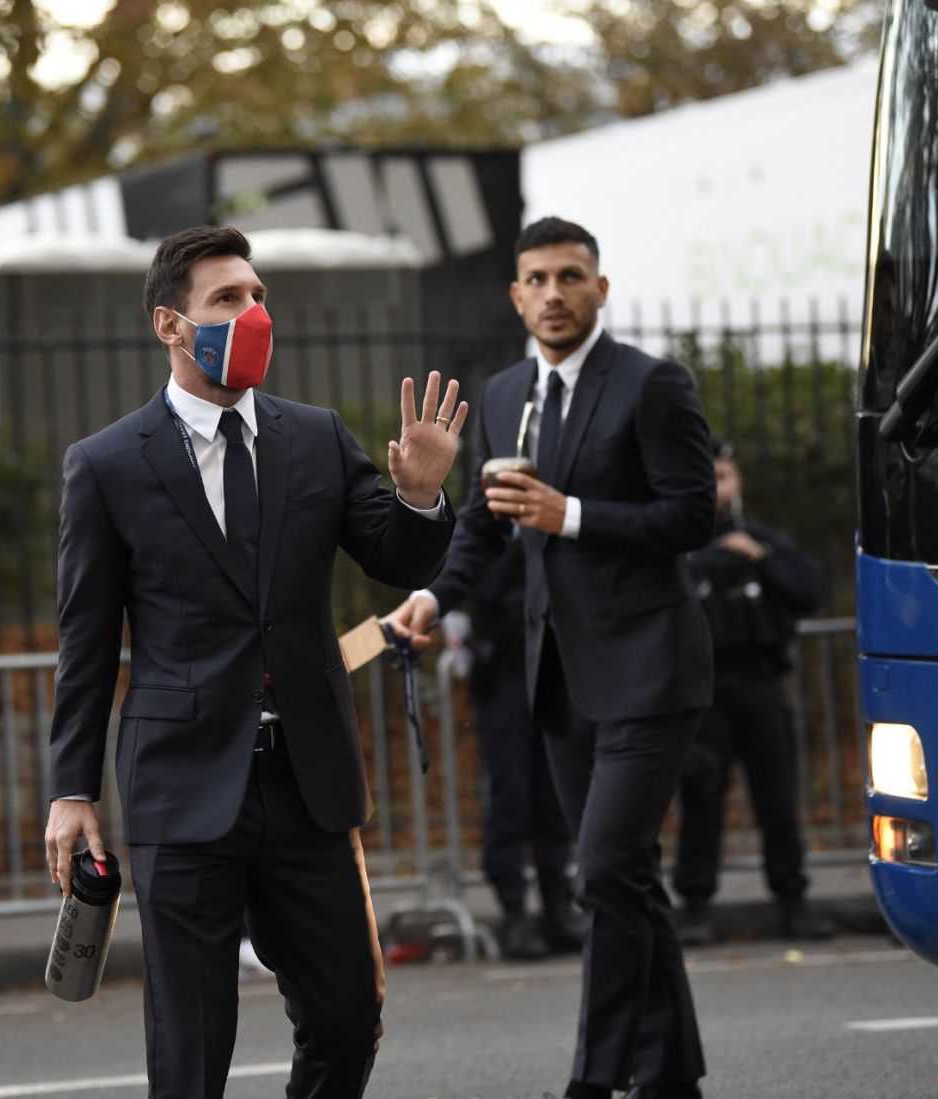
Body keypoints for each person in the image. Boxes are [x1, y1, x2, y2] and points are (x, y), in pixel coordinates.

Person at [42, 225, 467, 1099]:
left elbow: (395, 555)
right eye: (228, 299)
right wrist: (71, 788)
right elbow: (85, 643)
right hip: (181, 784)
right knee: (192, 1050)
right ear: (170, 324)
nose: (253, 313)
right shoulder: (107, 464)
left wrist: (421, 494)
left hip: (307, 783)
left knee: (347, 1018)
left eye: (259, 295)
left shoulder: (314, 437)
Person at [384, 216, 716, 1099]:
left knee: (601, 870)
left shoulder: (652, 385)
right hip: (560, 678)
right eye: (537, 279)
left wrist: (570, 515)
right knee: (628, 879)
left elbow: (694, 515)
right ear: (516, 295)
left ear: (599, 288)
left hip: (649, 669)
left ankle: (593, 1081)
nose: (554, 294)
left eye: (571, 276)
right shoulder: (504, 396)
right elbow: (483, 527)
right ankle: (670, 1076)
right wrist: (433, 597)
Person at [673, 438, 832, 946]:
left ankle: (792, 901)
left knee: (777, 798)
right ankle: (695, 905)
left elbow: (809, 590)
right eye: (708, 477)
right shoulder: (678, 546)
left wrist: (758, 557)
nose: (718, 488)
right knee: (701, 798)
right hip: (705, 691)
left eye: (724, 476)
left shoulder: (762, 541)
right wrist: (714, 559)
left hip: (762, 684)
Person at [456, 535, 581, 961]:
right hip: (503, 680)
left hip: (553, 673)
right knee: (510, 796)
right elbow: (480, 593)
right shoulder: (485, 535)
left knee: (553, 795)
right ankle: (514, 912)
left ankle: (558, 906)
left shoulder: (551, 529)